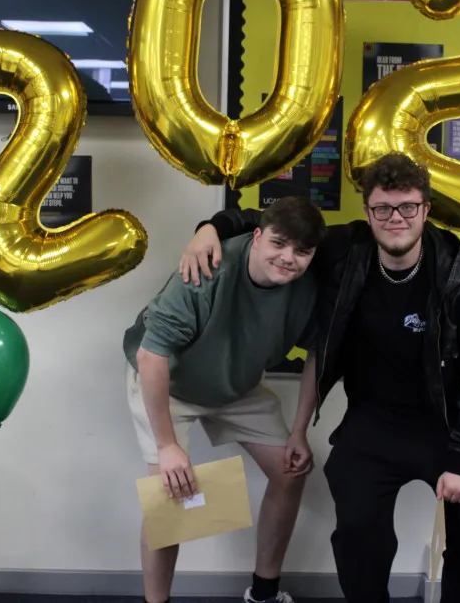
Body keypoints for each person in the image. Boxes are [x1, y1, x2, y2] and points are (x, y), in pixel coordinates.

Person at [181, 153, 460, 603]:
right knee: (359, 540)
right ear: (368, 212)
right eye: (383, 208)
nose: (396, 219)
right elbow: (269, 223)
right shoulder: (345, 251)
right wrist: (209, 228)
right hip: (373, 425)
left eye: (408, 207)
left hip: (450, 428)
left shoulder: (459, 280)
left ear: (425, 210)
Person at [123, 196, 326, 603]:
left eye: (301, 251)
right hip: (171, 381)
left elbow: (317, 357)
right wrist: (167, 447)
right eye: (279, 244)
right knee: (169, 499)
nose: (288, 258)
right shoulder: (206, 268)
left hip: (237, 384)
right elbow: (151, 356)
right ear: (256, 236)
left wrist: (301, 431)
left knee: (291, 470)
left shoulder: (311, 289)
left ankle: (265, 593)